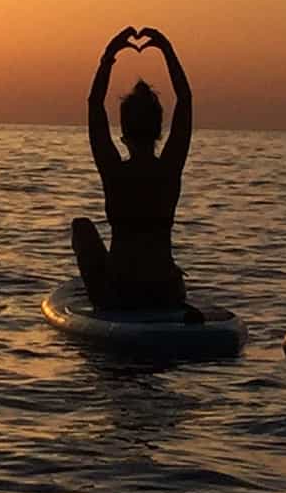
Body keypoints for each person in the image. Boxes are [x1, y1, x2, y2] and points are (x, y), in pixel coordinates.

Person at [73, 25, 199, 318]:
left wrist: (109, 57)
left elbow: (94, 105)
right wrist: (167, 50)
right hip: (165, 290)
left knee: (81, 226)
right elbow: (185, 101)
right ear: (158, 132)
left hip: (120, 291)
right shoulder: (169, 168)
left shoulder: (114, 171)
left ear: (124, 134)